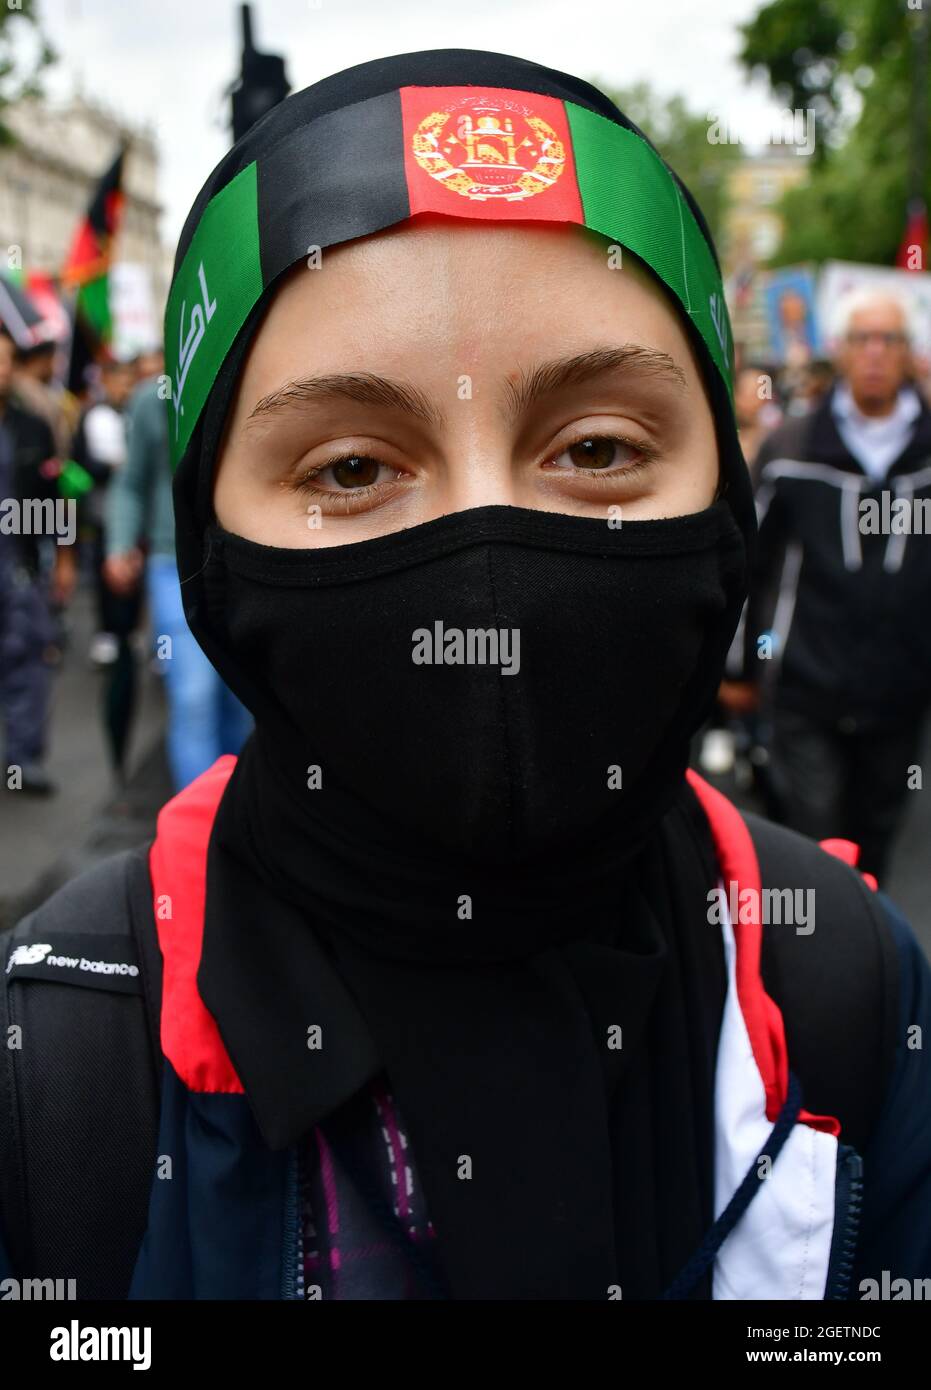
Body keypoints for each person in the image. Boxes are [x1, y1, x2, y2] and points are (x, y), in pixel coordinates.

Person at [1, 50, 930, 1303]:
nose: (486, 563)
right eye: (346, 469)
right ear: (210, 542)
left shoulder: (849, 986)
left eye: (597, 445)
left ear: (728, 492)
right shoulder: (59, 1061)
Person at [732, 287, 931, 884]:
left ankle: (872, 959)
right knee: (816, 843)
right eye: (861, 339)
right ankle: (816, 964)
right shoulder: (792, 447)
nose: (875, 352)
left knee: (875, 838)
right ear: (839, 351)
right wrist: (740, 667)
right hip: (805, 686)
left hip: (901, 688)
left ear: (907, 352)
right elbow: (750, 560)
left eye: (889, 339)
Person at [104, 369, 252, 790]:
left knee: (239, 701)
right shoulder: (151, 401)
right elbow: (130, 483)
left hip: (238, 566)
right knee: (193, 698)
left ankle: (237, 813)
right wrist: (118, 544)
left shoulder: (244, 381)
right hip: (173, 568)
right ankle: (201, 828)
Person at [0, 330, 72, 795]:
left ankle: (24, 759)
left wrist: (65, 557)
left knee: (26, 654)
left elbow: (54, 497)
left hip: (18, 562)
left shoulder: (32, 426)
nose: (2, 369)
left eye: (7, 361)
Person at [69, 356, 138, 667]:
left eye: (128, 380)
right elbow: (81, 462)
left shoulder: (138, 413)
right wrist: (111, 467)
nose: (125, 387)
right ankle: (107, 631)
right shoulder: (92, 416)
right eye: (120, 380)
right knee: (104, 569)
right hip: (100, 510)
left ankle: (131, 630)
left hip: (135, 512)